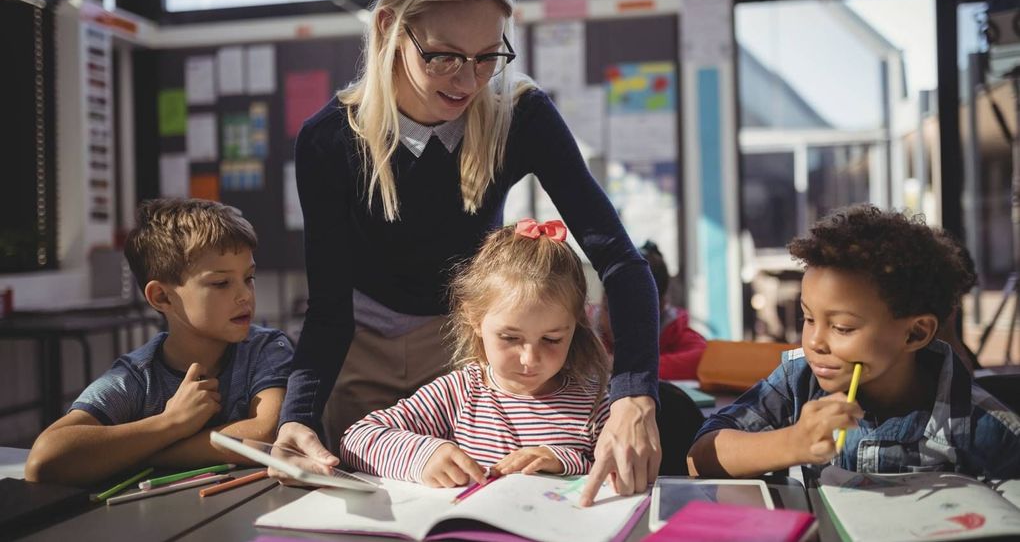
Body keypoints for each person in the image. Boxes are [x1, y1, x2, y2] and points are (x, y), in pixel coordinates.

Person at [278, 0, 661, 504]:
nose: (467, 79)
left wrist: (636, 392)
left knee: (484, 504)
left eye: (488, 56)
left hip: (473, 351)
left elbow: (621, 262)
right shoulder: (330, 140)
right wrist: (298, 415)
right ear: (388, 27)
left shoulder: (520, 115)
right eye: (443, 55)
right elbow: (329, 310)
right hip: (364, 350)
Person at [687, 204, 1020, 479]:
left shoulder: (987, 429)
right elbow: (699, 458)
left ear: (915, 333)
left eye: (842, 328)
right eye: (808, 319)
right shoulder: (797, 383)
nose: (815, 341)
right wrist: (791, 443)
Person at [25, 198, 293, 486]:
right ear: (162, 297)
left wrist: (146, 452)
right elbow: (45, 460)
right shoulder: (138, 377)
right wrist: (170, 423)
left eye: (248, 278)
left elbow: (265, 434)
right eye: (221, 283)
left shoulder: (267, 349)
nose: (245, 296)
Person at [338, 220, 610, 485]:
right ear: (475, 319)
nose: (530, 358)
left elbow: (621, 473)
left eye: (552, 339)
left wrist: (565, 461)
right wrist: (424, 455)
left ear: (576, 325)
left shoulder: (594, 400)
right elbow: (356, 439)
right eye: (510, 337)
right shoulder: (459, 391)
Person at [594, 241, 706, 380]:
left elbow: (701, 357)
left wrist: (622, 365)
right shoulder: (586, 327)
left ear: (660, 307)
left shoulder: (671, 329)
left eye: (631, 315)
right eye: (607, 308)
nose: (615, 323)